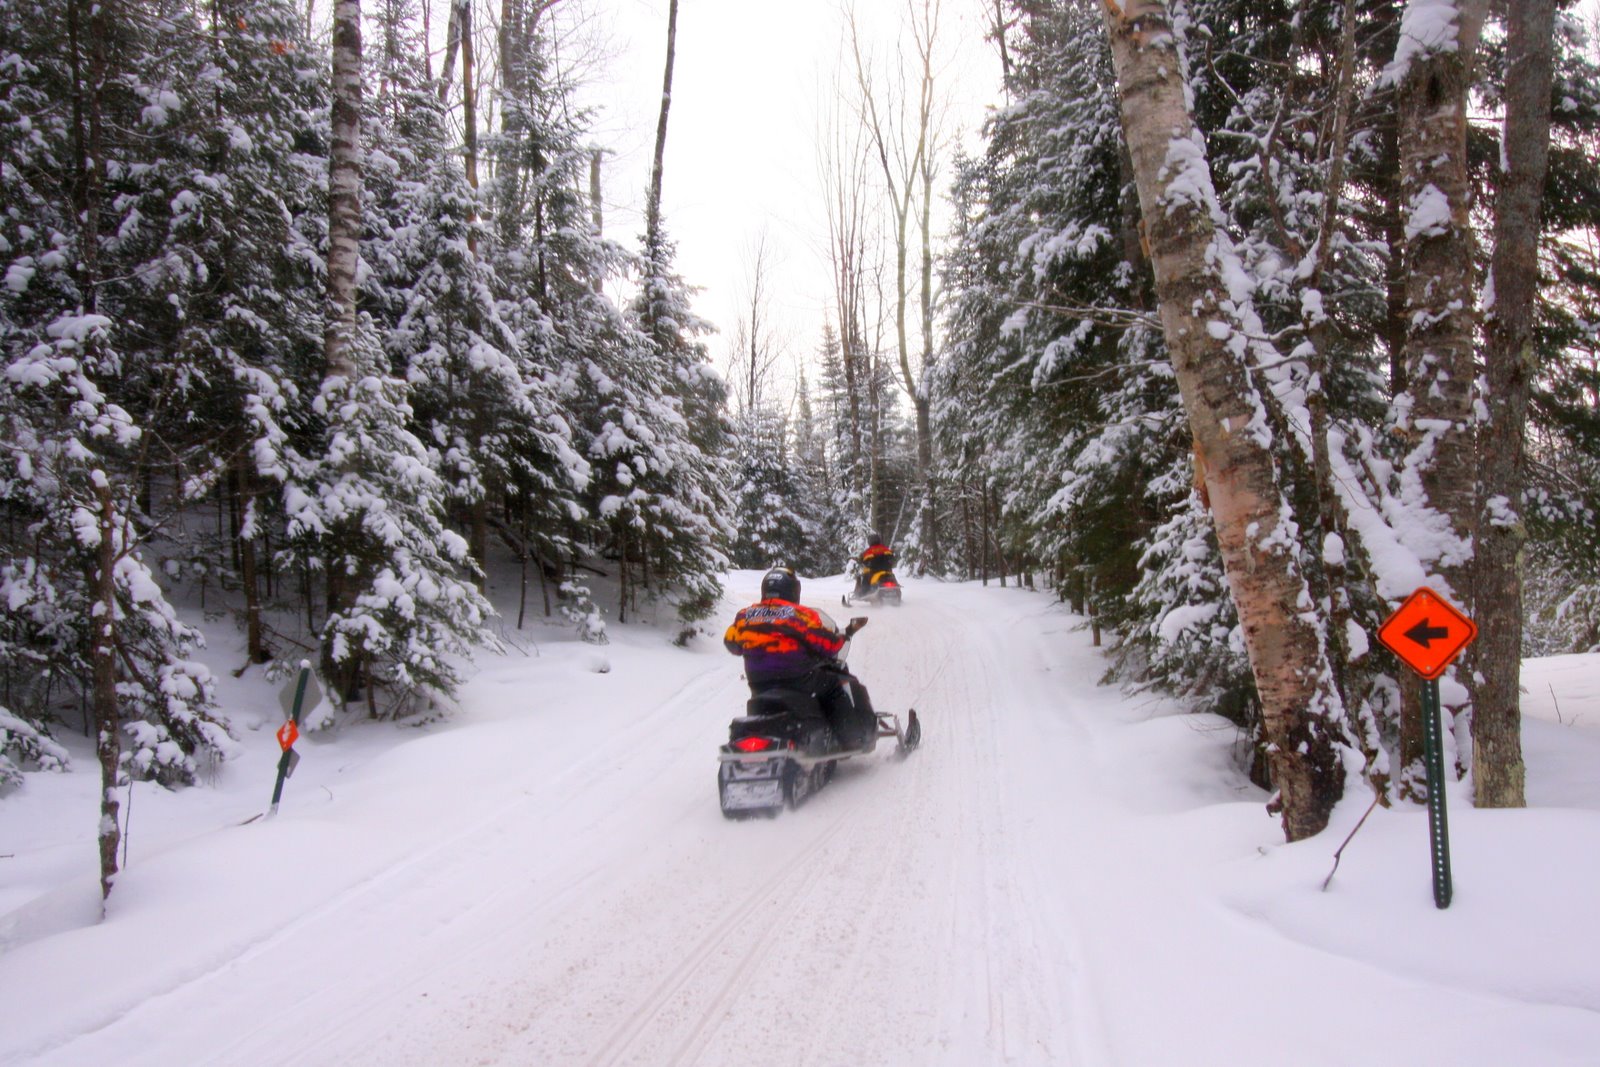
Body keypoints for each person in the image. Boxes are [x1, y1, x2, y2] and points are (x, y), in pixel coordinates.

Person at [724, 567, 878, 753]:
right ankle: (853, 738)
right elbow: (827, 645)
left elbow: (731, 643)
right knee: (834, 687)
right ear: (793, 591)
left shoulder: (744, 616)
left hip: (759, 685)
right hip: (798, 681)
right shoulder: (800, 616)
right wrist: (842, 637)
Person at [853, 532, 896, 598]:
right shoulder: (885, 548)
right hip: (887, 571)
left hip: (873, 571)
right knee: (892, 577)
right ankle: (897, 592)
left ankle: (863, 594)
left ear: (870, 541)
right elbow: (892, 557)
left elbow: (862, 559)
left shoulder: (868, 551)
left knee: (865, 578)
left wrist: (859, 560)